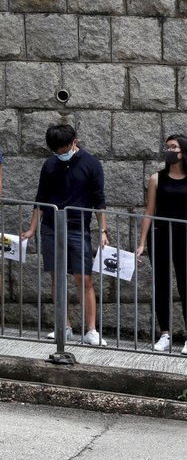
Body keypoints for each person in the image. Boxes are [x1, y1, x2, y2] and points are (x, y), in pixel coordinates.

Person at [21, 124, 107, 346]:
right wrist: (32, 229)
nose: (60, 154)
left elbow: (99, 201)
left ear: (74, 141)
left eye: (63, 149)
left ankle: (91, 330)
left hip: (78, 228)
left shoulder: (91, 164)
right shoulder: (50, 165)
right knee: (57, 276)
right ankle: (64, 326)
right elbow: (40, 197)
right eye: (56, 151)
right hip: (51, 226)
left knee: (84, 278)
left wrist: (103, 231)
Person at [136, 135, 187, 356]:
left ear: (183, 151)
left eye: (173, 147)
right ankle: (164, 333)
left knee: (186, 287)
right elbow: (149, 212)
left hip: (183, 237)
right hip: (160, 235)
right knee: (161, 285)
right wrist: (142, 242)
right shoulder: (156, 178)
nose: (169, 150)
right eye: (167, 146)